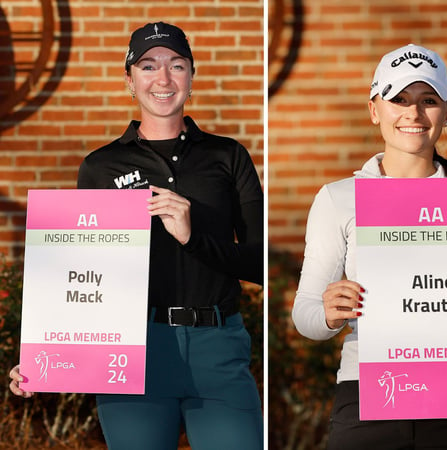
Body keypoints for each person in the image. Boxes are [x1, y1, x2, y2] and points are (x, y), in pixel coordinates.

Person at [9, 21, 264, 450]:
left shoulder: (228, 156)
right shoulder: (100, 167)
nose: (163, 79)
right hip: (131, 356)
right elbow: (81, 276)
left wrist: (192, 237)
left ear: (191, 76)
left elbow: (258, 263)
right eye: (148, 66)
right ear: (130, 80)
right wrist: (44, 355)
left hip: (217, 347)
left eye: (176, 65)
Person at [291, 44, 447, 450]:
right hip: (368, 398)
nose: (413, 114)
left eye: (428, 101)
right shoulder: (338, 198)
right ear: (374, 110)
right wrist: (331, 315)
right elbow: (305, 315)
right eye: (399, 99)